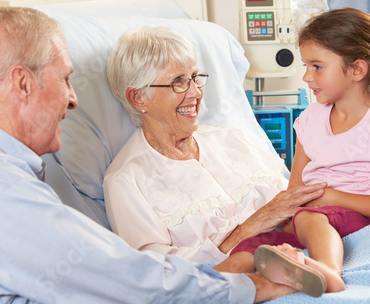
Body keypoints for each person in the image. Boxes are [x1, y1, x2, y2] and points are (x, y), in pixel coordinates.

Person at [0, 7, 312, 303]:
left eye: (195, 77)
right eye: (65, 80)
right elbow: (128, 278)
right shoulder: (0, 190)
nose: (73, 99)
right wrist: (247, 284)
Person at [215, 7, 370, 296]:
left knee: (309, 218)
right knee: (251, 248)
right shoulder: (311, 119)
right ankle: (197, 287)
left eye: (317, 66)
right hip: (311, 215)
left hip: (356, 219)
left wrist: (330, 197)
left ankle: (327, 271)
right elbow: (295, 189)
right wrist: (279, 219)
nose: (306, 77)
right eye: (305, 66)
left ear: (357, 70)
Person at [103, 25, 327, 267]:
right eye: (178, 82)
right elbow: (157, 271)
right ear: (138, 98)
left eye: (195, 78)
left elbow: (291, 202)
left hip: (307, 251)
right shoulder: (126, 180)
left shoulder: (232, 139)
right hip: (236, 283)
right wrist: (247, 230)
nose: (196, 92)